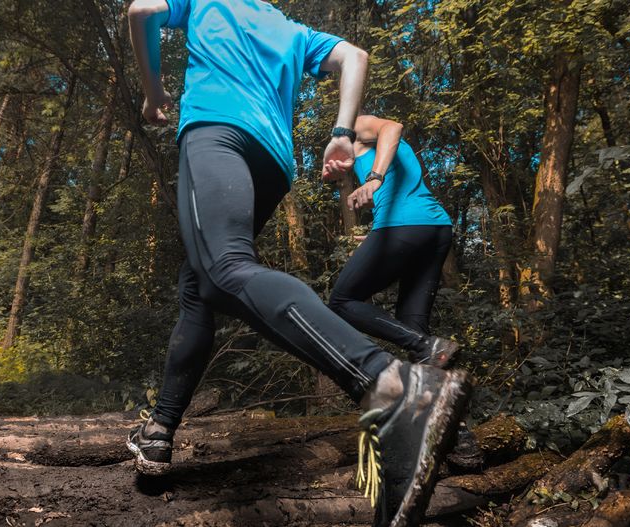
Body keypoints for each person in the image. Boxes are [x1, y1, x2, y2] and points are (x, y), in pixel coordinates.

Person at [125, 1, 470, 524]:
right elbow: (355, 55)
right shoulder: (289, 28)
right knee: (200, 283)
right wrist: (342, 131)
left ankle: (387, 382)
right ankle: (160, 431)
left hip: (216, 131)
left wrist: (154, 95)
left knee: (224, 269)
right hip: (271, 159)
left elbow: (141, 7)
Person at [328, 115, 459, 368]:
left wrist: (375, 176)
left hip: (403, 226)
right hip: (433, 228)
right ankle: (434, 397)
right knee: (412, 320)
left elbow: (393, 126)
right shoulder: (374, 149)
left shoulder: (356, 124)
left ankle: (424, 346)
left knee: (342, 300)